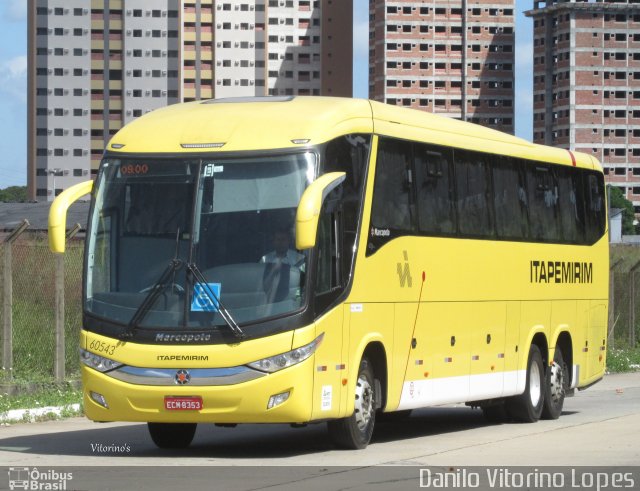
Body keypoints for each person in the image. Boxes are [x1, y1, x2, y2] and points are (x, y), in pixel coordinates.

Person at [260, 228, 305, 304]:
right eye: (278, 239)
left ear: (288, 242)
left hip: (293, 301)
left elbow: (304, 284)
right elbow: (260, 285)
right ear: (273, 241)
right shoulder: (265, 260)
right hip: (269, 300)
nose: (280, 243)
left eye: (283, 239)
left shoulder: (299, 259)